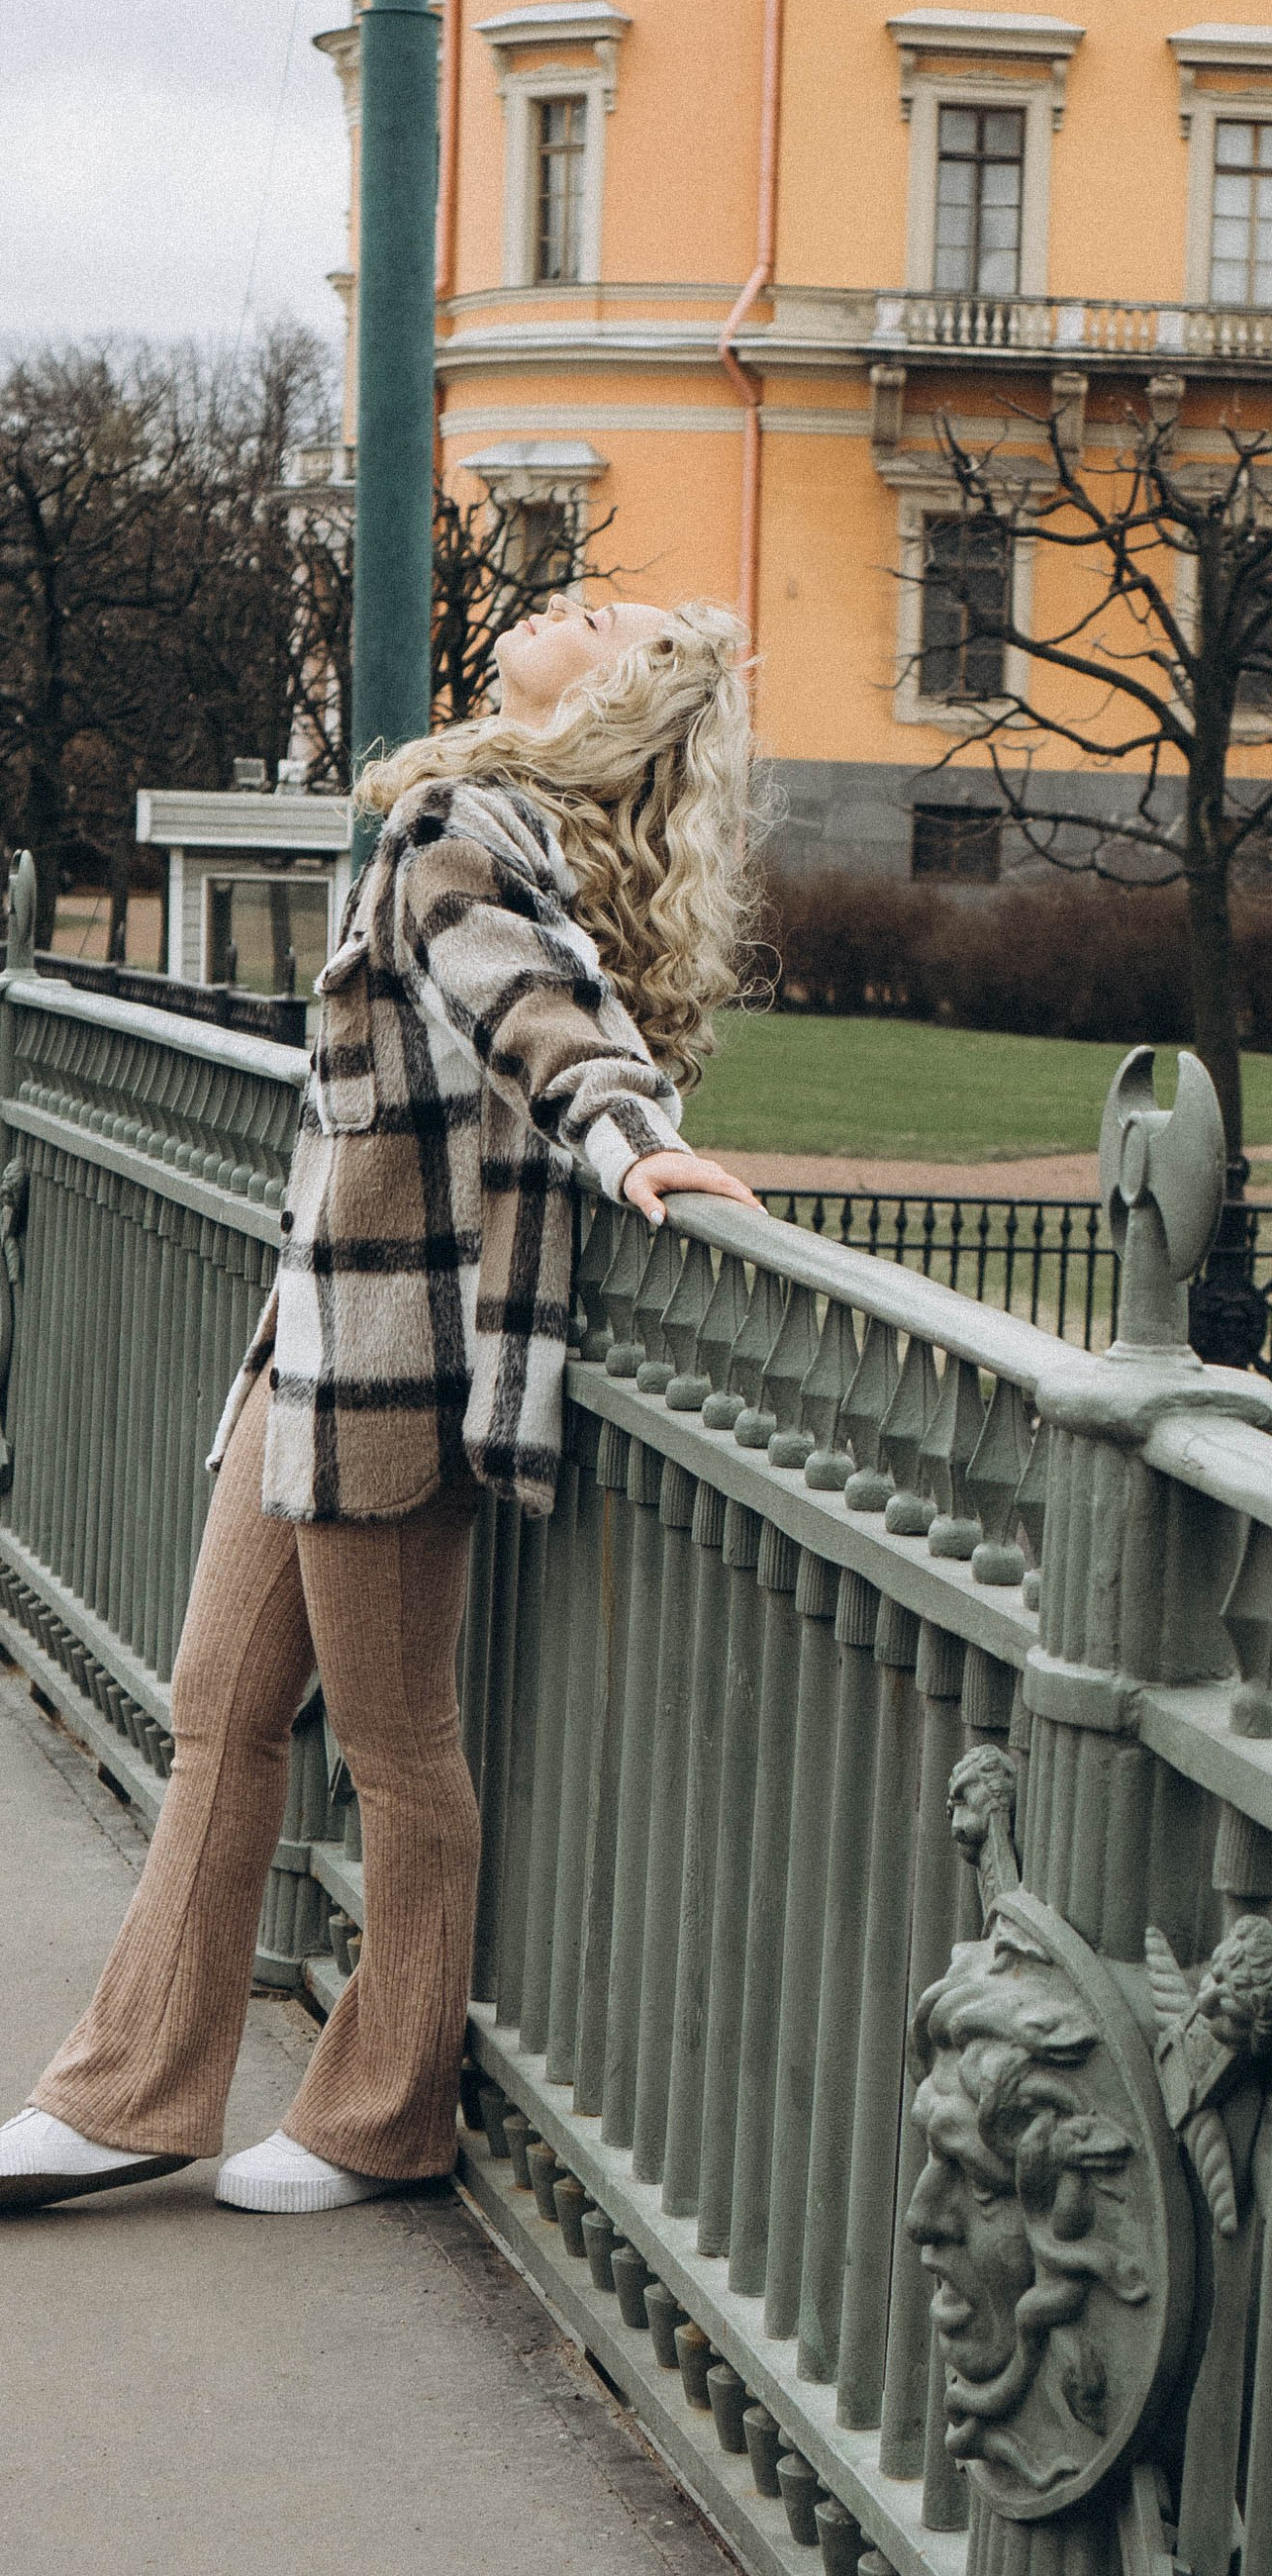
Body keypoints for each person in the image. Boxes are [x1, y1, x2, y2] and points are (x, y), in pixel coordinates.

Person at [0, 597, 763, 2219]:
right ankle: (132, 2091)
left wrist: (629, 1140)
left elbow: (532, 1019)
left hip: (399, 1355)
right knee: (219, 1709)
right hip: (322, 1340)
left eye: (599, 609)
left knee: (398, 1753)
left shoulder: (459, 833)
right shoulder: (505, 827)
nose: (562, 599)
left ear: (617, 695)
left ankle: (379, 2115)